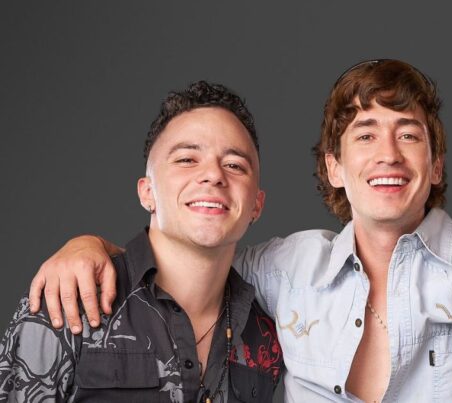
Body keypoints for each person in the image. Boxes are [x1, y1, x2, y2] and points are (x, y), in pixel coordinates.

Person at [28, 60, 452, 402]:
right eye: (364, 134)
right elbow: (194, 238)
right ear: (334, 166)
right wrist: (93, 246)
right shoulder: (284, 264)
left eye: (409, 134)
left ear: (436, 164)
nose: (387, 154)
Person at [0, 81, 283, 402]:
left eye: (234, 165)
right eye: (187, 159)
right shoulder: (69, 298)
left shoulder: (267, 331)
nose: (214, 175)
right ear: (147, 192)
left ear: (256, 205)